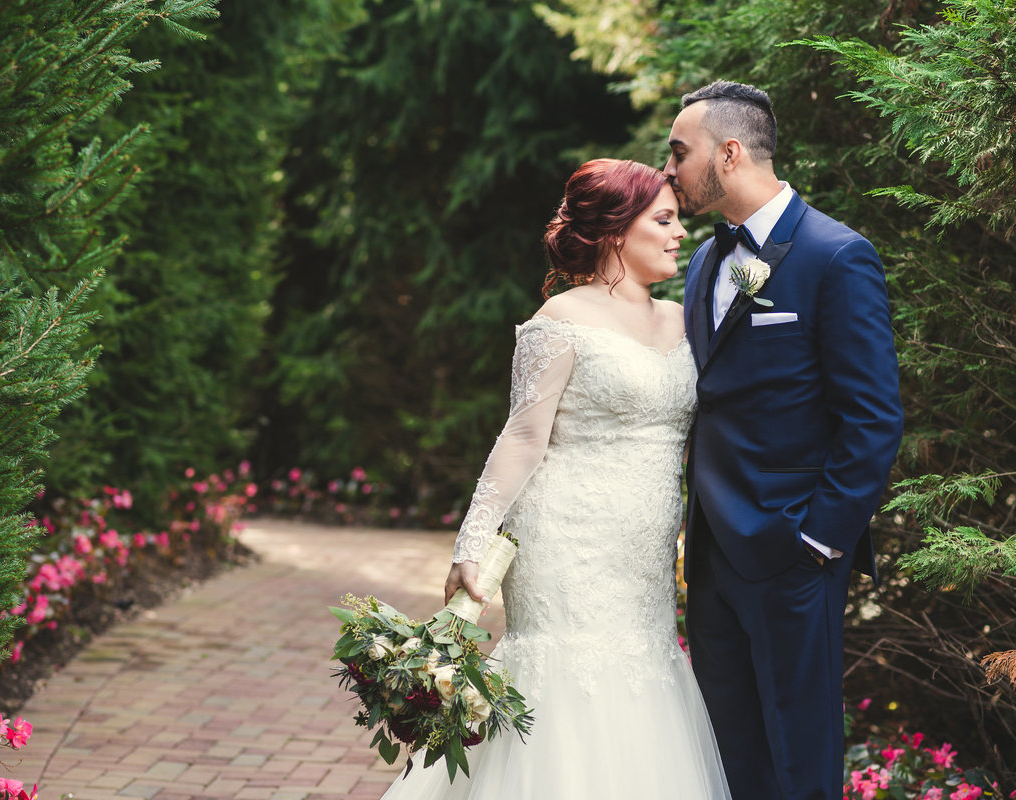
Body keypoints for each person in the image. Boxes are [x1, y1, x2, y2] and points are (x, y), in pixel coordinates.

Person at [380, 158, 732, 799]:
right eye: (665, 220)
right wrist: (472, 540)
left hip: (646, 551)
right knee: (564, 678)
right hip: (565, 539)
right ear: (617, 232)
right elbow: (521, 435)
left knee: (642, 673)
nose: (681, 233)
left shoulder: (685, 320)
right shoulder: (560, 320)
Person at [665, 79, 904, 800]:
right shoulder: (710, 262)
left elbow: (873, 417)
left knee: (800, 758)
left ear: (729, 152)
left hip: (794, 555)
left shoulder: (837, 256)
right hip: (711, 557)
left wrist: (820, 541)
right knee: (730, 752)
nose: (668, 169)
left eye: (679, 151)